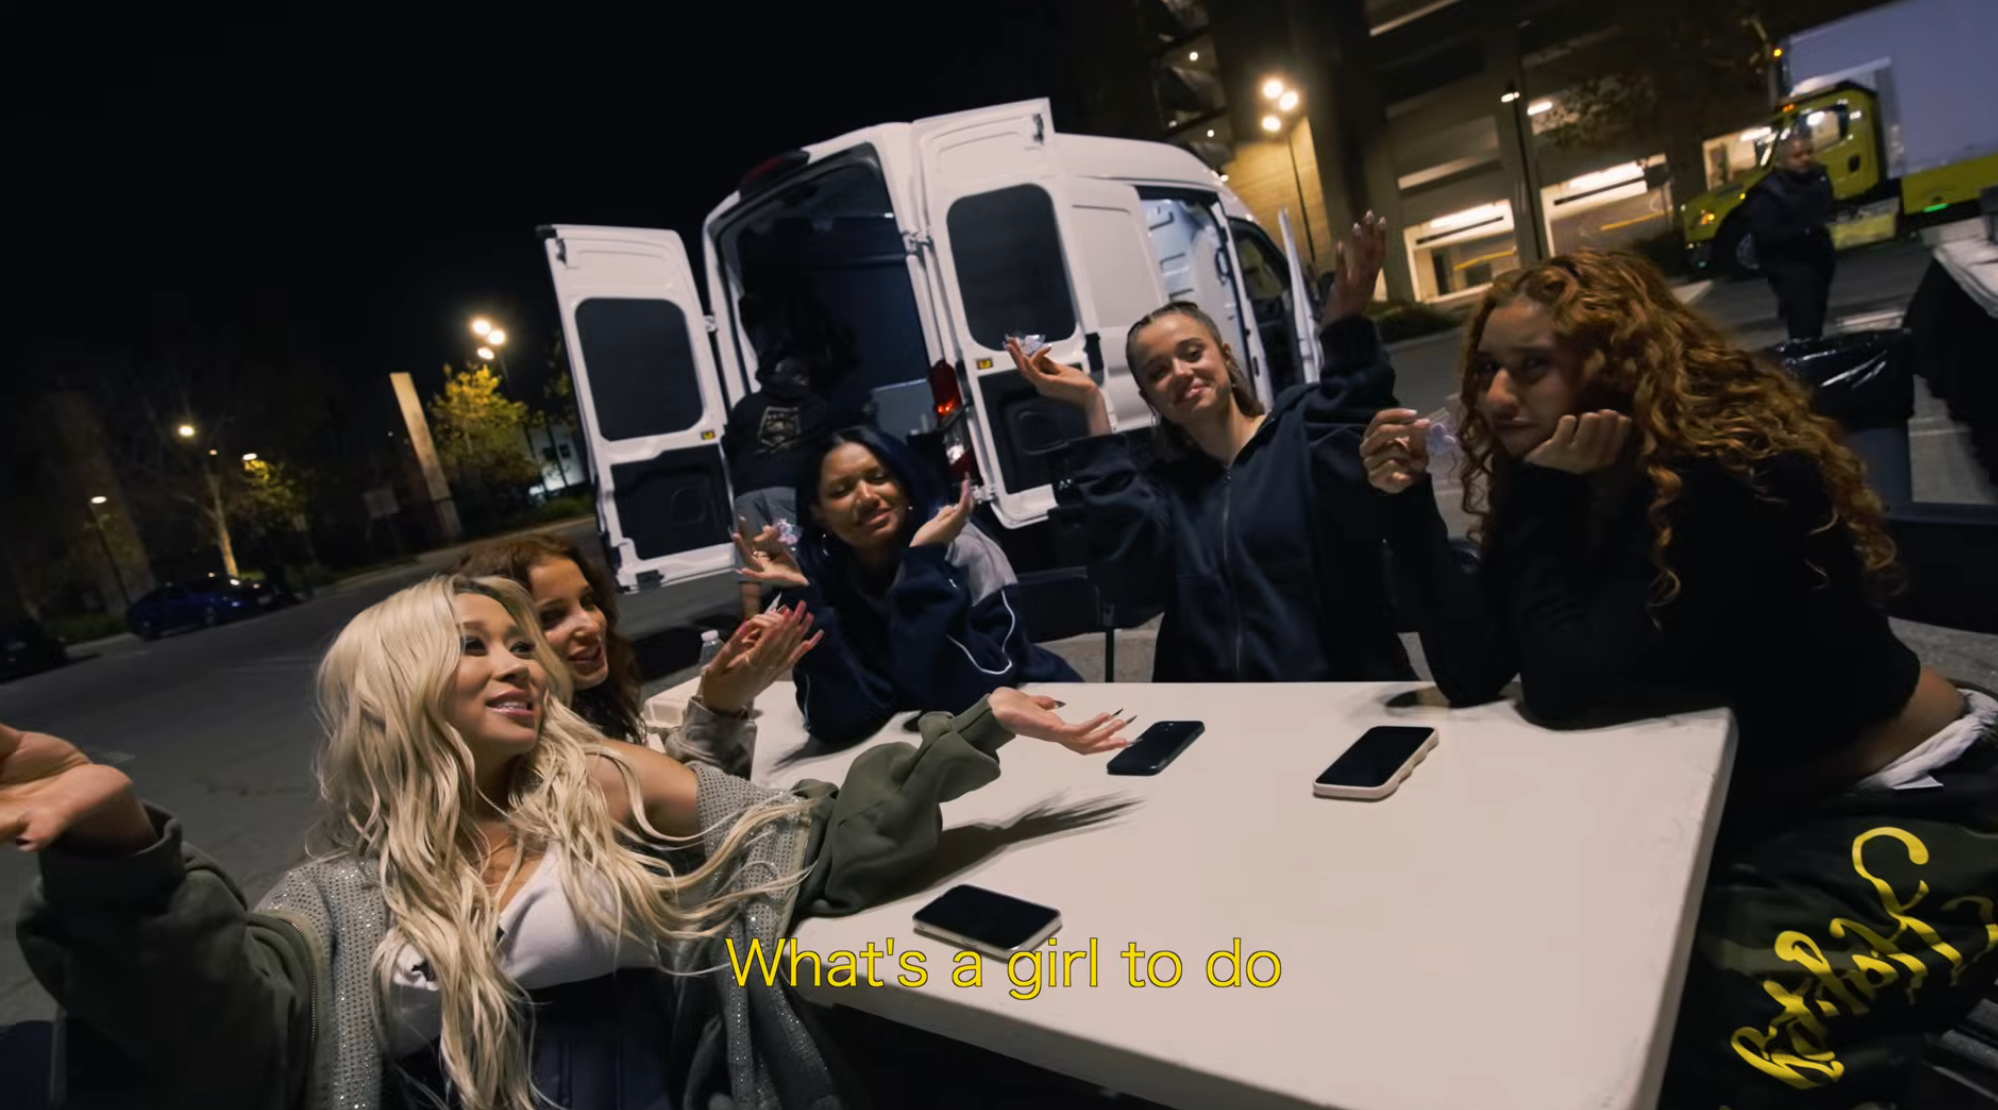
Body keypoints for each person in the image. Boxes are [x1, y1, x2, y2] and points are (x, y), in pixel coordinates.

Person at [3, 574, 1133, 1109]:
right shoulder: (332, 896)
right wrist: (119, 851)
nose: (519, 663)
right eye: (475, 646)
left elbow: (804, 839)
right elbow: (208, 1031)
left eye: (519, 641)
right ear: (395, 692)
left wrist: (973, 734)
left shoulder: (601, 781)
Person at [1360, 250, 1998, 1108]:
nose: (1496, 399)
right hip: (1747, 804)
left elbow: (1563, 689)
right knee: (1525, 951)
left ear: (1616, 364)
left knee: (1666, 1026)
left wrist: (1543, 505)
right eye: (1487, 371)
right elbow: (1476, 672)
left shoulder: (1732, 472)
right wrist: (1405, 511)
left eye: (1531, 367)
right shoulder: (1557, 473)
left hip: (1905, 801)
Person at [1021, 214, 1453, 683]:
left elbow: (1356, 441)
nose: (1181, 373)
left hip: (1338, 705)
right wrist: (1093, 408)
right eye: (1158, 371)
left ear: (1225, 359)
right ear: (1150, 398)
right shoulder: (1164, 489)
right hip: (1217, 720)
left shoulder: (1302, 428)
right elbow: (1131, 588)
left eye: (1192, 353)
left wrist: (1345, 331)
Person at [736, 425, 1082, 745]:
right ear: (818, 512)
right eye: (841, 490)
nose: (867, 497)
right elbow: (839, 722)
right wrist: (802, 599)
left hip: (1035, 713)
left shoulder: (961, 544)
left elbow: (972, 690)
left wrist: (922, 565)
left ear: (904, 485)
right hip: (923, 745)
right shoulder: (822, 576)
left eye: (879, 477)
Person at [453, 533, 817, 775]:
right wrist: (718, 708)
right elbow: (689, 824)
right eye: (550, 617)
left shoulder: (591, 705)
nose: (591, 624)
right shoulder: (534, 756)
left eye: (588, 601)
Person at [722, 354, 835, 621]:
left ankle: (751, 623)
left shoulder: (748, 405)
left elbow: (729, 444)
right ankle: (805, 616)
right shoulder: (815, 406)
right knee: (793, 551)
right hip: (787, 488)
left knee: (750, 555)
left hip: (746, 487)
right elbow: (826, 448)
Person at [1743, 134, 1837, 340]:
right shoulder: (1769, 192)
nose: (1805, 158)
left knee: (1815, 317)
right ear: (1782, 161)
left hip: (1817, 263)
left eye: (1808, 152)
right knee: (1804, 322)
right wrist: (1804, 232)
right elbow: (1766, 235)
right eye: (1797, 155)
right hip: (1790, 266)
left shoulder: (1818, 177)